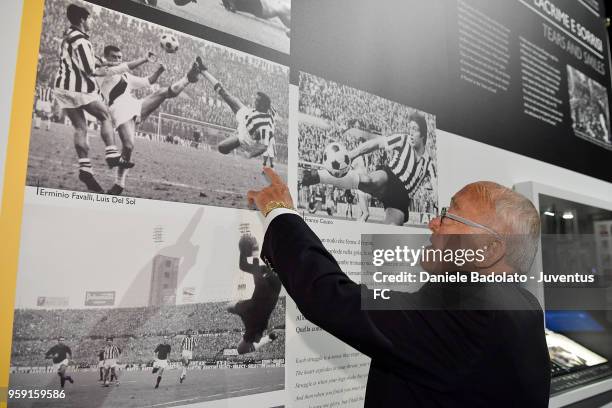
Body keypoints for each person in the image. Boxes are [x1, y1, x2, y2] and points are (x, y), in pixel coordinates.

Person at [247, 168, 551, 407]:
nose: (433, 222)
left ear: (489, 249)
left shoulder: (472, 311)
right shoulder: (524, 304)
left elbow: (331, 298)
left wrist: (279, 212)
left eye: (449, 214)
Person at [97, 45, 203, 195]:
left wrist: (159, 71)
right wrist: (144, 59)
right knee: (128, 146)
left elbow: (148, 81)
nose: (118, 60)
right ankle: (119, 183)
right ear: (106, 57)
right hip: (119, 110)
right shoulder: (102, 72)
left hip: (135, 105)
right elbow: (123, 66)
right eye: (114, 57)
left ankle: (188, 78)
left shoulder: (126, 76)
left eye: (119, 57)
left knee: (162, 93)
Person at [302, 113, 437, 225]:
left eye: (415, 129)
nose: (411, 133)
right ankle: (316, 176)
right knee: (368, 180)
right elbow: (377, 143)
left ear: (423, 134)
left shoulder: (429, 163)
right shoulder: (403, 139)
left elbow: (436, 187)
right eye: (410, 128)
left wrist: (442, 213)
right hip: (390, 177)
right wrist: (352, 154)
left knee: (389, 231)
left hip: (402, 198)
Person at [53, 4, 123, 193]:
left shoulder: (69, 35)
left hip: (62, 88)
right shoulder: (82, 40)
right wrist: (106, 70)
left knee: (80, 127)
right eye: (89, 19)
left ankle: (85, 167)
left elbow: (90, 60)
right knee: (105, 116)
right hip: (78, 89)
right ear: (83, 20)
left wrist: (106, 63)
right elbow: (90, 69)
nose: (91, 22)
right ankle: (111, 153)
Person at [196, 57, 275, 158]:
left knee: (221, 147)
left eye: (257, 101)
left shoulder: (265, 124)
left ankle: (237, 143)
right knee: (225, 94)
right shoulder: (260, 110)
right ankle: (203, 71)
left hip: (246, 139)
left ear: (263, 105)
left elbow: (263, 146)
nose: (254, 101)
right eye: (255, 99)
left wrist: (249, 154)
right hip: (249, 115)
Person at [227, 234, 282, 354]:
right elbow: (243, 266)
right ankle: (268, 337)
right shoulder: (266, 271)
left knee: (240, 350)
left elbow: (259, 282)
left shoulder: (275, 279)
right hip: (254, 311)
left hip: (255, 315)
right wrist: (245, 252)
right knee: (228, 307)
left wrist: (255, 254)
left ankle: (268, 339)